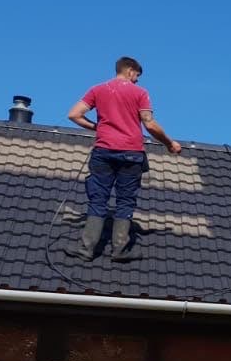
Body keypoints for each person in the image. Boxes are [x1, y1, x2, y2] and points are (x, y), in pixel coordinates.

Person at [66, 56, 182, 261]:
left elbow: (74, 114)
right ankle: (119, 250)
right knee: (125, 200)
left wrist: (98, 127)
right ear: (129, 71)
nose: (137, 80)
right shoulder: (140, 93)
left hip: (103, 151)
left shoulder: (97, 90)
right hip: (131, 153)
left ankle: (86, 250)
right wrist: (169, 143)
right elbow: (149, 123)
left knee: (98, 198)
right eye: (137, 76)